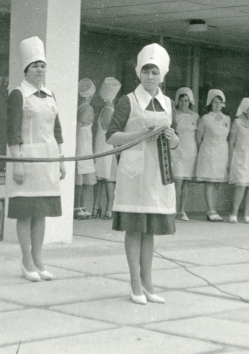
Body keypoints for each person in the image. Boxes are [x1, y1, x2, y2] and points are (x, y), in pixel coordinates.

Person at [107, 43, 178, 305]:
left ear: (162, 75)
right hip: (134, 175)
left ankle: (148, 283)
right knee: (135, 230)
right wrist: (140, 135)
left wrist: (172, 137)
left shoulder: (168, 103)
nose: (150, 76)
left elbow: (176, 141)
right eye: (146, 71)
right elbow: (111, 136)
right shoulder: (128, 100)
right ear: (139, 73)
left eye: (155, 72)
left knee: (150, 231)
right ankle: (134, 284)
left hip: (158, 175)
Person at [6, 36, 66, 282]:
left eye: (42, 65)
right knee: (25, 212)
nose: (40, 69)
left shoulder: (50, 94)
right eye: (35, 66)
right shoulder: (17, 94)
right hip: (27, 160)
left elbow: (58, 130)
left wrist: (61, 160)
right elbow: (12, 131)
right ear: (26, 69)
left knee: (40, 213)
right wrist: (17, 163)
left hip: (48, 160)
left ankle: (39, 259)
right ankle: (26, 261)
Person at [195, 89, 230, 222]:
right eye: (215, 102)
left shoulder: (227, 119)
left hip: (222, 152)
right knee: (210, 181)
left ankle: (214, 209)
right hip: (208, 151)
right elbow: (198, 138)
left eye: (220, 102)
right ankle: (211, 211)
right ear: (210, 103)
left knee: (216, 183)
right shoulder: (205, 118)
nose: (217, 105)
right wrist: (204, 151)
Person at [92, 77, 121, 221]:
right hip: (107, 145)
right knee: (109, 179)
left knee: (100, 178)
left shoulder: (106, 109)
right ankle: (108, 208)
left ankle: (96, 206)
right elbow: (110, 129)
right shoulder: (109, 109)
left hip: (101, 144)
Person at [171, 87, 199, 221]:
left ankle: (182, 210)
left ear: (190, 102)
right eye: (181, 101)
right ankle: (174, 210)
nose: (183, 103)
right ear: (177, 101)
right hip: (177, 150)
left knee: (186, 182)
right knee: (178, 181)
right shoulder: (173, 115)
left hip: (190, 151)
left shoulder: (195, 116)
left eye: (186, 101)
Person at [74, 78, 97, 219]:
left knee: (81, 177)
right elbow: (79, 126)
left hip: (81, 143)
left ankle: (79, 206)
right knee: (83, 178)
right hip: (84, 143)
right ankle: (79, 207)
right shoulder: (88, 108)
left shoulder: (78, 106)